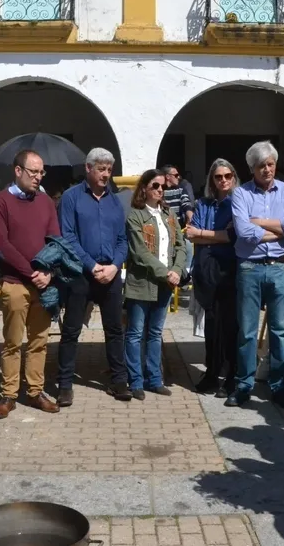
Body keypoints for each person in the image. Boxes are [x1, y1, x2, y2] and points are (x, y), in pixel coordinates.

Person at [227, 140, 284, 409]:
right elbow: (244, 232)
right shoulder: (240, 194)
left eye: (271, 164)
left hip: (281, 266)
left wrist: (259, 222)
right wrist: (280, 230)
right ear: (252, 168)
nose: (268, 170)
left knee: (280, 331)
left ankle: (280, 386)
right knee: (247, 332)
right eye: (262, 166)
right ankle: (244, 385)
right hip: (250, 267)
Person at [0, 150, 62, 419]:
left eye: (41, 172)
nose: (38, 177)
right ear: (17, 171)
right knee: (12, 341)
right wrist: (33, 273)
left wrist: (50, 273)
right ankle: (8, 394)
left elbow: (56, 240)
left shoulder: (45, 202)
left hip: (43, 282)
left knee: (39, 341)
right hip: (15, 282)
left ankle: (35, 391)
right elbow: (3, 245)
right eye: (33, 172)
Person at [57, 147, 131, 404]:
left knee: (114, 330)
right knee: (71, 330)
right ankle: (65, 383)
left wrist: (115, 266)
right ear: (88, 168)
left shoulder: (114, 201)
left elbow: (123, 240)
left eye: (109, 170)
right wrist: (91, 265)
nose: (106, 175)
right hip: (80, 274)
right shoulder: (71, 197)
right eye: (101, 169)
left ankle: (119, 380)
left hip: (110, 273)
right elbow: (68, 236)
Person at [124, 169, 187, 400]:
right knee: (135, 333)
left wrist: (177, 270)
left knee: (155, 332)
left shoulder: (169, 214)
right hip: (142, 283)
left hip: (165, 283)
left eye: (163, 187)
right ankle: (136, 380)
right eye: (155, 186)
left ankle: (154, 379)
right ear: (144, 189)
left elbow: (181, 245)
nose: (160, 190)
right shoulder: (136, 215)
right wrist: (166, 273)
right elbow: (139, 252)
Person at [188, 159, 240, 398]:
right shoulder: (203, 204)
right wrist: (214, 235)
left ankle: (231, 376)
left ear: (233, 177)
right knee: (211, 325)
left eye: (227, 175)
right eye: (218, 177)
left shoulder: (238, 203)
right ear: (212, 180)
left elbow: (233, 236)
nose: (223, 180)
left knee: (230, 325)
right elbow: (191, 235)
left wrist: (202, 234)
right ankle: (212, 373)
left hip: (230, 271)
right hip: (206, 272)